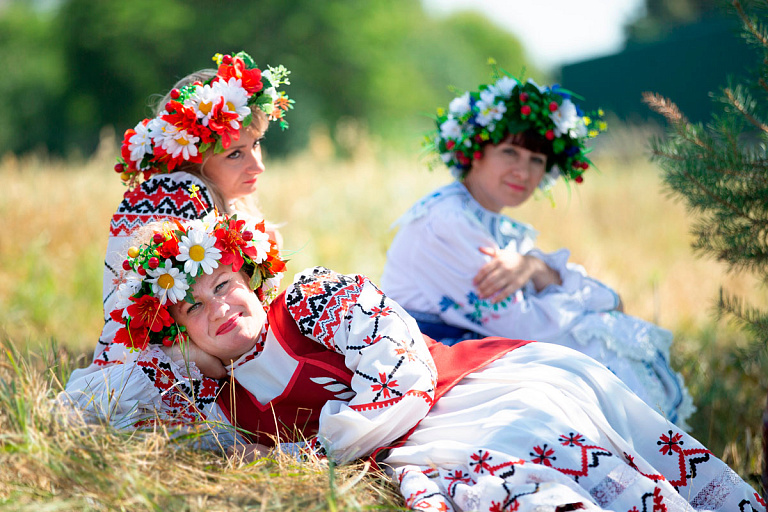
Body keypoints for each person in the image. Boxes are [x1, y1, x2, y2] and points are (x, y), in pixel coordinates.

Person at [61, 214, 764, 512]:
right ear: (181, 331)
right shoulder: (218, 401)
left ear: (249, 278)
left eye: (224, 285)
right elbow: (84, 398)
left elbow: (405, 375)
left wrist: (321, 450)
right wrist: (177, 362)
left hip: (469, 391)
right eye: (195, 309)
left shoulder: (314, 300)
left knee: (535, 441)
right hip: (415, 452)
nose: (219, 308)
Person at [380, 72, 694, 428]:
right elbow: (523, 325)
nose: (523, 171)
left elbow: (549, 308)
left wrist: (537, 268)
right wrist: (600, 307)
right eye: (510, 151)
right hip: (428, 365)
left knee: (606, 340)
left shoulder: (490, 222)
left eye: (537, 160)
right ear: (475, 153)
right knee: (601, 348)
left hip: (466, 348)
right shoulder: (450, 221)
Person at [92, 50, 294, 366]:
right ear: (190, 159)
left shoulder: (221, 198)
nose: (258, 166)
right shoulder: (174, 192)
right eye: (235, 154)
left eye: (255, 144)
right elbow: (159, 330)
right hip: (158, 378)